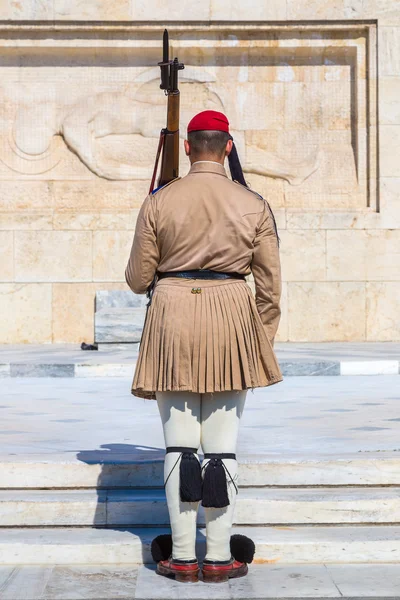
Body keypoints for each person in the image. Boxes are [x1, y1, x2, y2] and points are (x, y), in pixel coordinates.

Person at [125, 110, 283, 584]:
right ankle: (217, 557)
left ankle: (178, 555)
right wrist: (258, 340)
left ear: (189, 148)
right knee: (221, 448)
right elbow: (270, 288)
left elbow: (137, 280)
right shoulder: (253, 203)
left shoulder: (160, 201)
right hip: (233, 317)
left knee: (179, 444)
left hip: (173, 316)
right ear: (228, 148)